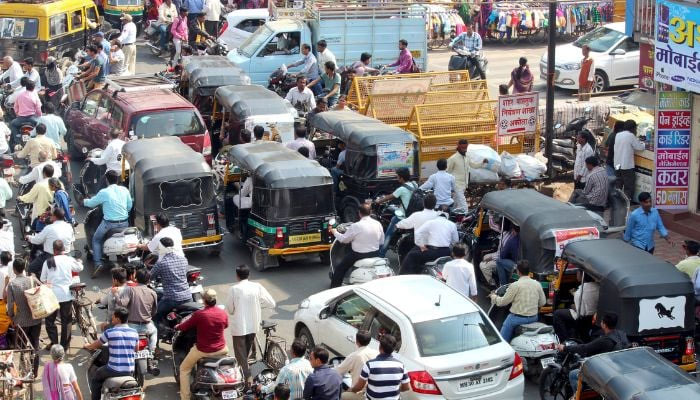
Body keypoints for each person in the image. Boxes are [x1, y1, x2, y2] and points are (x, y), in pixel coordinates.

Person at [226, 265, 276, 382]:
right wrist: (257, 305)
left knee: (241, 356)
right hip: (253, 326)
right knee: (245, 354)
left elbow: (230, 309)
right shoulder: (257, 287)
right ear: (249, 275)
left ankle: (247, 379)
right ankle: (245, 374)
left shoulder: (234, 289)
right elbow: (271, 303)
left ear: (237, 276)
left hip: (239, 327)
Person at [176, 289, 229, 400]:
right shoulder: (222, 313)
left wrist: (177, 326)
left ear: (204, 301)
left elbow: (185, 326)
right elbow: (226, 325)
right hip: (222, 349)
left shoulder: (199, 314)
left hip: (203, 350)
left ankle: (185, 397)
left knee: (184, 369)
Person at [558, 313, 628, 393]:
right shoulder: (621, 334)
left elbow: (585, 348)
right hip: (618, 369)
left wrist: (565, 348)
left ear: (604, 325)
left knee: (573, 374)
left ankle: (578, 396)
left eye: (601, 322)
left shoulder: (605, 340)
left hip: (606, 374)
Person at [83, 170, 133, 275]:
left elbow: (91, 203)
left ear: (106, 180)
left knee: (96, 239)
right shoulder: (125, 190)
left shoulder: (104, 192)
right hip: (124, 223)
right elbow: (129, 206)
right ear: (118, 179)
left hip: (109, 224)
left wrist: (84, 201)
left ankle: (98, 263)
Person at [84, 307, 139, 400]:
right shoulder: (134, 332)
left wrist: (87, 346)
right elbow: (136, 350)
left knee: (96, 379)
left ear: (118, 319)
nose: (111, 318)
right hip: (130, 370)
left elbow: (97, 345)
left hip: (114, 370)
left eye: (113, 317)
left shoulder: (110, 332)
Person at [489, 260, 546, 342]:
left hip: (517, 319)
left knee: (505, 332)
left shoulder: (515, 285)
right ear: (529, 271)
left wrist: (493, 296)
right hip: (534, 318)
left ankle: (504, 345)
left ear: (518, 272)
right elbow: (542, 302)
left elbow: (502, 302)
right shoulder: (537, 284)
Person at [330, 204, 384, 287]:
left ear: (359, 213)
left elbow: (344, 240)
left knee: (340, 269)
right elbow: (381, 241)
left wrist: (334, 232)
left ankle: (334, 289)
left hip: (359, 255)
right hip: (375, 253)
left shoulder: (355, 226)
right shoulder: (378, 224)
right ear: (371, 212)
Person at [41, 240, 82, 349]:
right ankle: (64, 346)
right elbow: (79, 268)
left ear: (53, 250)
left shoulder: (48, 261)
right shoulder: (68, 259)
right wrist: (79, 261)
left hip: (52, 296)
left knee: (50, 321)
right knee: (66, 321)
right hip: (66, 295)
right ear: (63, 249)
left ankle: (54, 343)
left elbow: (42, 279)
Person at [347, 334, 409, 400]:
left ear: (380, 347)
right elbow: (406, 387)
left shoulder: (369, 365)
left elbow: (359, 387)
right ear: (393, 349)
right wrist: (393, 390)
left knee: (344, 395)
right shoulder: (401, 366)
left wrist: (350, 390)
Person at [7, 259, 42, 374]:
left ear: (14, 269)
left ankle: (23, 369)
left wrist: (11, 316)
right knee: (35, 344)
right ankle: (35, 371)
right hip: (35, 318)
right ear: (24, 268)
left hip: (21, 321)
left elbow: (11, 304)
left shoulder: (12, 284)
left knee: (22, 346)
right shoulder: (31, 280)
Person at [374, 167, 417, 257]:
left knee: (388, 234)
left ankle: (381, 254)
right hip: (414, 214)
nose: (397, 178)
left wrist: (377, 201)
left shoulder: (401, 189)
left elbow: (388, 197)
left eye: (397, 177)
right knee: (393, 208)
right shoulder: (414, 184)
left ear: (401, 178)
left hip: (404, 216)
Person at [151, 237, 191, 323]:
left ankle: (157, 335)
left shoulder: (161, 263)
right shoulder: (183, 259)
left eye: (159, 246)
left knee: (154, 314)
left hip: (172, 299)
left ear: (161, 248)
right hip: (188, 297)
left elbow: (149, 277)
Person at [116, 268, 158, 352]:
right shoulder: (153, 292)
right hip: (147, 326)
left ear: (136, 278)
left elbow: (122, 304)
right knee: (154, 331)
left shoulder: (130, 289)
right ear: (148, 280)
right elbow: (154, 311)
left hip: (131, 326)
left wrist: (116, 294)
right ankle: (152, 350)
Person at [552, 271, 599, 342]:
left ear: (581, 275)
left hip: (582, 318)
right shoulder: (598, 287)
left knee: (557, 313)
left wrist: (573, 306)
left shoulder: (579, 292)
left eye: (577, 273)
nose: (576, 275)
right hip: (593, 315)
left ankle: (564, 340)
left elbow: (580, 312)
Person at [27, 207, 74, 276]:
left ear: (54, 217)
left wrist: (29, 238)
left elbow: (37, 240)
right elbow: (72, 240)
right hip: (66, 254)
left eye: (52, 215)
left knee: (31, 268)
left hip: (50, 256)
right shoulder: (69, 227)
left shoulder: (49, 228)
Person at [334, 330, 377, 400]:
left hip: (361, 393)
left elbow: (338, 371)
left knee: (342, 396)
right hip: (372, 392)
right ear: (369, 341)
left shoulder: (354, 356)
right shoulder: (376, 353)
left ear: (357, 341)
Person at [613, 119, 645, 200]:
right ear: (633, 128)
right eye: (635, 128)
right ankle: (626, 204)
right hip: (626, 165)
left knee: (618, 183)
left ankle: (617, 201)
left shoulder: (618, 134)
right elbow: (640, 147)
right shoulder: (631, 136)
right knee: (628, 186)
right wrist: (644, 144)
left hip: (617, 164)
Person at [447, 139, 481, 211]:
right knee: (464, 206)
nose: (464, 150)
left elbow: (473, 165)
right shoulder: (453, 158)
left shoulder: (467, 157)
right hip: (457, 185)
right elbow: (447, 172)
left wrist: (482, 163)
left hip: (464, 185)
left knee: (455, 204)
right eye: (463, 148)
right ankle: (466, 219)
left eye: (466, 148)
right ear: (458, 147)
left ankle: (449, 215)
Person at [480, 217, 514, 287]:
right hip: (499, 255)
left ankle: (492, 284)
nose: (498, 225)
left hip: (503, 258)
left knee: (483, 265)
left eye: (499, 224)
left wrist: (491, 258)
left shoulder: (508, 238)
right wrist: (490, 214)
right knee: (484, 257)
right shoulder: (505, 231)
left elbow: (501, 255)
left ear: (503, 226)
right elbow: (492, 225)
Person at [18, 164, 55, 229]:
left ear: (43, 173)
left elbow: (29, 197)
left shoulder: (39, 185)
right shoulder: (58, 183)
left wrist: (20, 198)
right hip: (54, 211)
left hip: (41, 212)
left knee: (35, 228)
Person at [10, 79, 41, 149]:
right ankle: (39, 140)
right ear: (33, 88)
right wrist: (39, 115)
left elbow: (15, 107)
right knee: (41, 126)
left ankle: (17, 139)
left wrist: (17, 114)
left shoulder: (19, 95)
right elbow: (38, 108)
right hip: (32, 119)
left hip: (21, 119)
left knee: (12, 124)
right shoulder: (34, 96)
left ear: (26, 87)